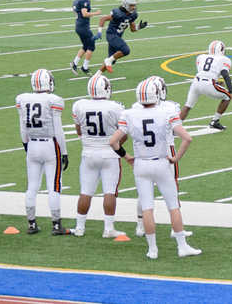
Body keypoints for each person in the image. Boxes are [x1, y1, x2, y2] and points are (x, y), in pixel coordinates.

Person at [109, 78, 200, 259]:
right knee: (173, 206)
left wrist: (127, 157)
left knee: (147, 207)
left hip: (141, 164)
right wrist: (176, 157)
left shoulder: (130, 114)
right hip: (161, 162)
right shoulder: (167, 112)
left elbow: (113, 141)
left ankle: (152, 249)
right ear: (157, 94)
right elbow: (187, 138)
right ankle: (182, 246)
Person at [71, 72, 126, 238]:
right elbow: (123, 132)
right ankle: (108, 228)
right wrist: (116, 147)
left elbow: (79, 130)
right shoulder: (115, 107)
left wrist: (89, 142)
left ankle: (79, 227)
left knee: (85, 191)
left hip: (88, 153)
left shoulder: (79, 105)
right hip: (109, 153)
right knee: (109, 191)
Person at [16, 68, 70, 235]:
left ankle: (31, 224)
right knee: (53, 186)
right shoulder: (53, 99)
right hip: (50, 145)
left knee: (32, 186)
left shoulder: (23, 99)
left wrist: (26, 145)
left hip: (32, 144)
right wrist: (64, 151)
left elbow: (22, 127)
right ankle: (56, 224)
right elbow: (58, 129)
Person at [180, 40, 232, 130]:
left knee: (188, 105)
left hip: (196, 83)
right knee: (227, 97)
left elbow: (204, 72)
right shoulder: (224, 59)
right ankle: (215, 121)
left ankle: (175, 128)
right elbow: (225, 75)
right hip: (208, 83)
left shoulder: (201, 57)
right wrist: (231, 92)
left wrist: (216, 82)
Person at [97, 0, 147, 74]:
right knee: (125, 50)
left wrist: (139, 27)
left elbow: (133, 29)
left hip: (117, 36)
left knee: (112, 60)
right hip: (111, 35)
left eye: (134, 5)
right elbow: (103, 19)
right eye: (131, 5)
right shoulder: (118, 13)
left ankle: (96, 75)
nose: (133, 7)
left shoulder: (133, 15)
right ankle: (108, 61)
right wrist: (99, 32)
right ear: (125, 5)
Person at [70, 0, 100, 74]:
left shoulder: (76, 1)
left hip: (79, 26)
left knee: (85, 46)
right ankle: (84, 67)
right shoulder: (84, 0)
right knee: (91, 46)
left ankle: (74, 63)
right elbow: (84, 14)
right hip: (83, 27)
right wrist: (96, 13)